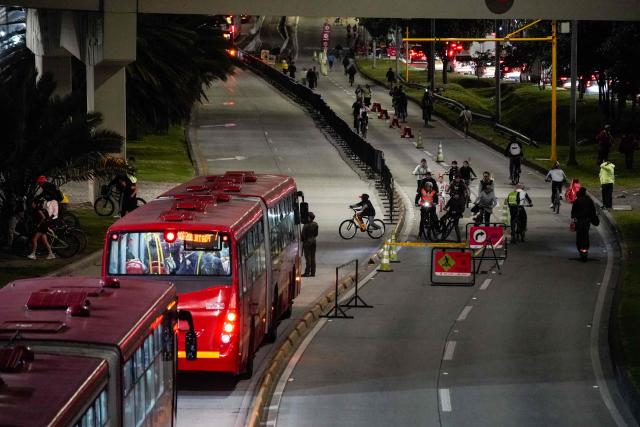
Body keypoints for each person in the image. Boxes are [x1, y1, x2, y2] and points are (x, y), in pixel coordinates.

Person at [571, 187, 599, 262]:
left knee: (579, 235)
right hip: (587, 221)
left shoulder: (577, 201)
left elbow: (573, 212)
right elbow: (593, 211)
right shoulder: (589, 200)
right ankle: (585, 248)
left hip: (580, 221)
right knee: (586, 234)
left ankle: (581, 249)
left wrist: (574, 218)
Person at [301, 212, 318, 277]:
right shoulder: (315, 224)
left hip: (307, 242)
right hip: (314, 241)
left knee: (308, 258)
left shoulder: (306, 225)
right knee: (313, 257)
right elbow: (316, 234)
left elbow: (302, 235)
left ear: (309, 218)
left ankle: (307, 272)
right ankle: (313, 272)